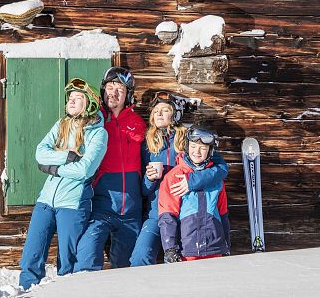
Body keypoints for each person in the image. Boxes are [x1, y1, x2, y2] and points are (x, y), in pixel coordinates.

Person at [19, 78, 108, 291]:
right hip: (45, 199)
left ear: (90, 104)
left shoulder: (99, 133)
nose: (71, 101)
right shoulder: (61, 124)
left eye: (78, 98)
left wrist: (54, 168)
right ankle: (25, 290)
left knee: (67, 258)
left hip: (73, 203)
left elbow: (85, 170)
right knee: (32, 252)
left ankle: (65, 292)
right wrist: (67, 155)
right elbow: (40, 153)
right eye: (70, 98)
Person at [130, 92, 229, 266]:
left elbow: (220, 168)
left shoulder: (188, 138)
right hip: (157, 213)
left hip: (187, 211)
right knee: (140, 257)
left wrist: (192, 182)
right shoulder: (146, 144)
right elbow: (143, 190)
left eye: (165, 110)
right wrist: (150, 179)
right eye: (156, 110)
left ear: (175, 114)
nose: (159, 113)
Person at [74, 67, 146, 271]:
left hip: (131, 211)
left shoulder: (138, 123)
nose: (113, 93)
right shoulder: (94, 120)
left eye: (119, 89)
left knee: (126, 267)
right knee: (86, 257)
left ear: (128, 95)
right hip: (101, 207)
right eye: (109, 87)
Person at [158, 125, 231, 263]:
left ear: (210, 151)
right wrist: (170, 249)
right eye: (193, 146)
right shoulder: (174, 177)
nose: (196, 151)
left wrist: (226, 244)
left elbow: (223, 214)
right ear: (186, 146)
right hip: (186, 251)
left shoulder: (215, 179)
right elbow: (167, 216)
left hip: (215, 249)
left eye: (203, 148)